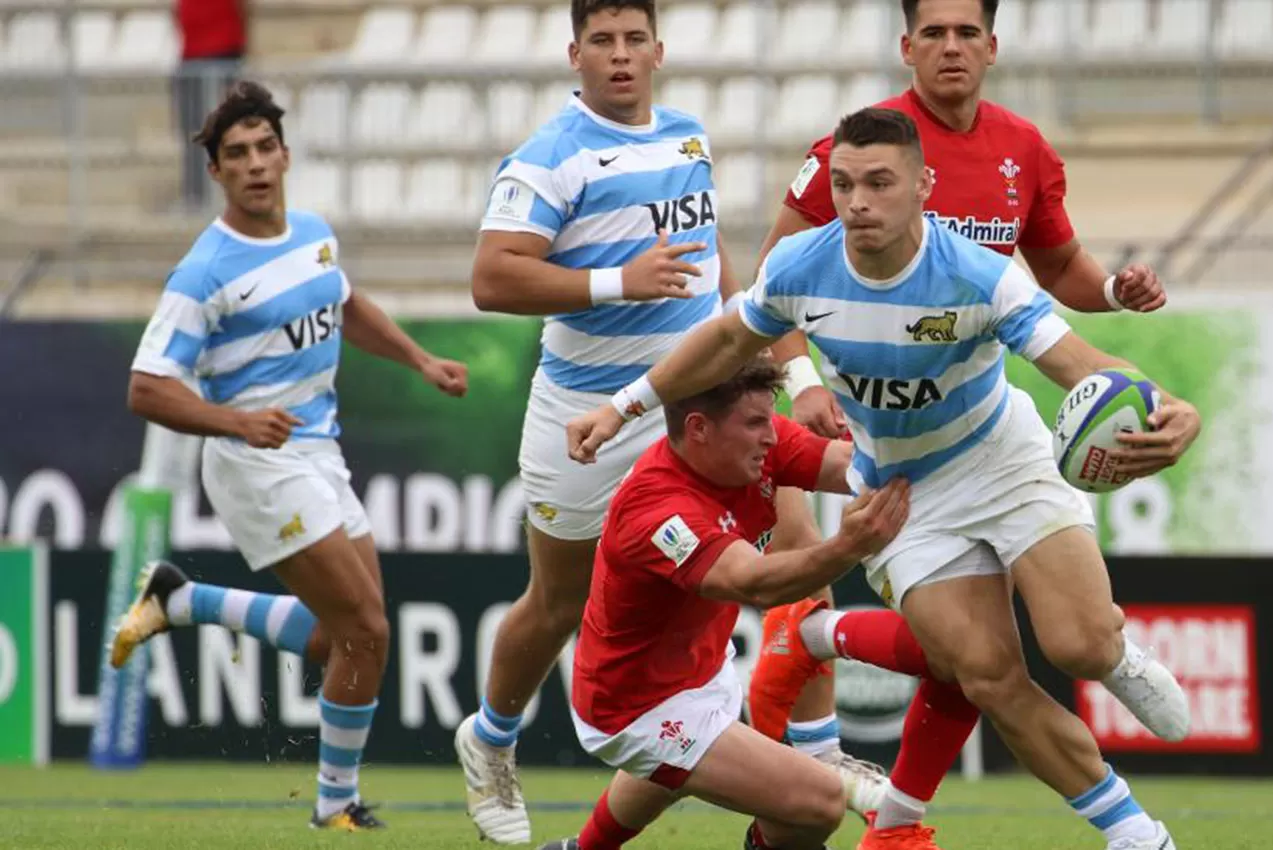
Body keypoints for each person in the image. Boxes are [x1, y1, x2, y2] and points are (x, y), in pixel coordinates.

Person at [569, 108, 1193, 850]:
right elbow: (727, 340)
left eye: (878, 182)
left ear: (924, 186)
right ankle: (1134, 834)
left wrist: (1167, 406)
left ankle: (1114, 656)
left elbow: (1080, 364)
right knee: (986, 674)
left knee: (1079, 647)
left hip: (1001, 459)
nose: (857, 201)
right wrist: (624, 405)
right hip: (906, 494)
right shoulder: (803, 266)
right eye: (842, 185)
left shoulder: (981, 275)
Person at [457, 0, 886, 842]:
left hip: (699, 410)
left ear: (659, 48)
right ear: (574, 52)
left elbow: (715, 264)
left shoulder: (687, 134)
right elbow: (491, 279)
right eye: (602, 43)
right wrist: (620, 281)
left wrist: (783, 365)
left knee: (800, 550)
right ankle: (491, 739)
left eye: (633, 40)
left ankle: (818, 748)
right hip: (591, 415)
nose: (620, 57)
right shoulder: (549, 157)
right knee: (559, 602)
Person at [748, 0, 1173, 749]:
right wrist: (802, 381)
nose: (951, 48)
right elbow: (774, 275)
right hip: (896, 445)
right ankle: (897, 811)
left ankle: (1107, 650)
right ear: (906, 47)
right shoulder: (858, 149)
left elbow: (1059, 265)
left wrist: (1111, 292)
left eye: (966, 33)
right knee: (971, 656)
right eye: (934, 34)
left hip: (985, 422)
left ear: (992, 46)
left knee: (1039, 644)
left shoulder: (1025, 149)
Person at [109, 82, 469, 831]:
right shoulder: (204, 272)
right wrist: (234, 423)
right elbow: (145, 389)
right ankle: (334, 807)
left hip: (316, 452)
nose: (254, 165)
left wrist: (419, 360)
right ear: (217, 172)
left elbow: (342, 303)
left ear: (285, 155)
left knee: (340, 634)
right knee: (367, 628)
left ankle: (180, 600)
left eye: (264, 148)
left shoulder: (311, 231)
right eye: (235, 154)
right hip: (253, 463)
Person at [540, 359, 908, 850]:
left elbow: (850, 467)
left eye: (768, 419)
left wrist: (917, 465)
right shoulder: (658, 508)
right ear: (698, 429)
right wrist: (849, 545)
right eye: (755, 423)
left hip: (701, 667)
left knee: (675, 766)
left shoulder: (751, 447)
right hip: (635, 707)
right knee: (818, 805)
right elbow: (753, 584)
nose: (771, 437)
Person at [173, 0, 249, 211]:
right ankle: (196, 196)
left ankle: (232, 194)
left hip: (222, 52)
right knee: (194, 133)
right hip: (191, 54)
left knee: (226, 132)